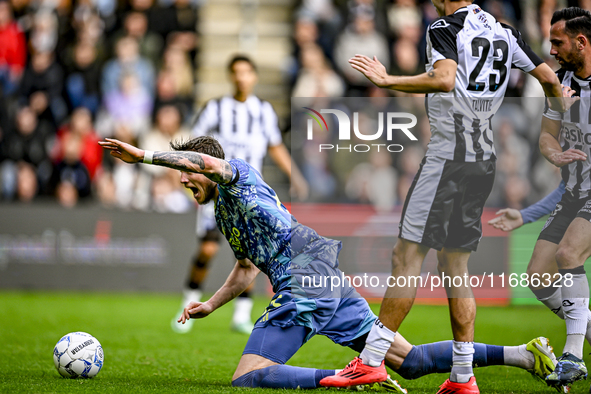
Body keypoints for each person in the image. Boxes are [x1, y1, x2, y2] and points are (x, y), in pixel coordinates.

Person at [100, 135, 560, 391]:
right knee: (411, 361)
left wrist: (145, 157)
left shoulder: (238, 174)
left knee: (248, 378)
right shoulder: (223, 211)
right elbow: (245, 267)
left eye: (187, 172)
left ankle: (347, 380)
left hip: (303, 280)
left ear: (202, 166)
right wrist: (211, 305)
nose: (183, 180)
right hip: (324, 278)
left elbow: (209, 164)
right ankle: (524, 355)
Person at [321, 0, 565, 392]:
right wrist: (558, 127)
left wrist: (387, 81)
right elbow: (551, 81)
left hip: (448, 158)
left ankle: (369, 362)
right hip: (484, 160)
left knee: (406, 257)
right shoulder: (505, 30)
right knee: (455, 268)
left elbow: (445, 79)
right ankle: (463, 377)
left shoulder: (444, 28)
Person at [172, 54, 309, 334]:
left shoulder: (264, 111)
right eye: (236, 72)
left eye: (246, 72)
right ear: (230, 76)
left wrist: (295, 175)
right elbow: (193, 146)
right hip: (215, 190)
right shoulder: (216, 109)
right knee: (208, 248)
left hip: (248, 194)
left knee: (253, 253)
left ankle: (242, 315)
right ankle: (187, 303)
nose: (241, 77)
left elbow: (275, 146)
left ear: (253, 77)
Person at [490, 7, 591, 387]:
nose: (552, 50)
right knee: (537, 277)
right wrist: (555, 154)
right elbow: (547, 136)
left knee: (569, 255)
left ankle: (573, 357)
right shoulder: (560, 82)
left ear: (582, 42)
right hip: (574, 191)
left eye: (558, 42)